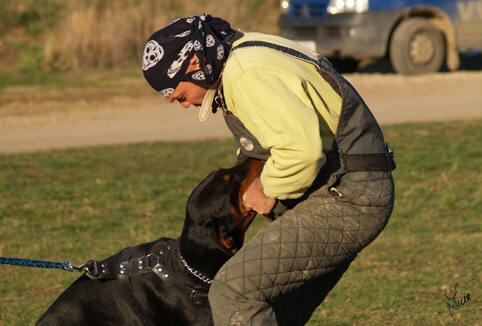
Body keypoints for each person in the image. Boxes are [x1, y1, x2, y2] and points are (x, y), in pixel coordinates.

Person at [142, 14, 395, 326]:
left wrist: (261, 190)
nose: (179, 103)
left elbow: (301, 151)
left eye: (176, 93)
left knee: (233, 292)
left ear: (193, 62)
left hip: (350, 196)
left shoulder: (247, 73)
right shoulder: (244, 54)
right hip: (346, 188)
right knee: (274, 312)